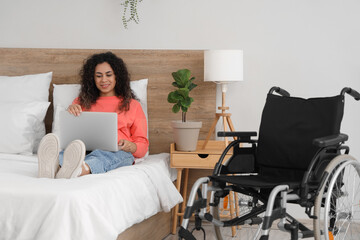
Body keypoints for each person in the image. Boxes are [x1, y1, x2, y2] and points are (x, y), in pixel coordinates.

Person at [38, 52, 149, 179]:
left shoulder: (132, 105)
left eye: (108, 75)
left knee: (107, 157)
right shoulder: (81, 101)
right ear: (92, 78)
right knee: (69, 152)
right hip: (84, 149)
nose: (104, 80)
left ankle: (78, 169)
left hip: (117, 152)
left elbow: (143, 146)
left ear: (117, 76)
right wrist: (71, 111)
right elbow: (71, 131)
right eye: (98, 76)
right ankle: (55, 166)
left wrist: (131, 146)